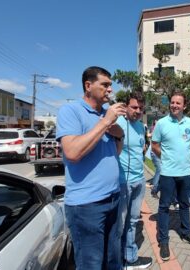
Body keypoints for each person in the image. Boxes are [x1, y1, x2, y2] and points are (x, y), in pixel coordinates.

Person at [56, 66, 127, 269]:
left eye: (111, 85)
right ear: (88, 86)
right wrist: (105, 123)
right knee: (91, 264)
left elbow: (116, 152)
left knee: (113, 260)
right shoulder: (70, 111)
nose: (110, 90)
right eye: (105, 85)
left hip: (113, 198)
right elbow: (72, 153)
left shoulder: (106, 114)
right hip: (87, 206)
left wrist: (119, 135)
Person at [151, 91, 190, 262]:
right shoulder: (161, 123)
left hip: (186, 173)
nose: (174, 105)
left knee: (185, 204)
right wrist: (166, 158)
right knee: (165, 207)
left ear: (184, 106)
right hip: (167, 173)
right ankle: (163, 241)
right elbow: (154, 145)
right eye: (172, 102)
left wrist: (189, 152)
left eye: (178, 103)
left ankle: (186, 233)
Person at [116, 91, 152, 269]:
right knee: (119, 223)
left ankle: (130, 259)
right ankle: (116, 261)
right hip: (122, 182)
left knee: (132, 221)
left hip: (139, 180)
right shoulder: (116, 122)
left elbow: (141, 150)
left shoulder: (141, 126)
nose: (137, 111)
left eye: (141, 108)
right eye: (134, 107)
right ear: (126, 106)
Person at [149, 119, 162, 198]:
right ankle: (154, 190)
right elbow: (149, 135)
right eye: (156, 122)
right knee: (159, 170)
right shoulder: (154, 130)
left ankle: (156, 188)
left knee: (162, 171)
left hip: (159, 153)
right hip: (155, 153)